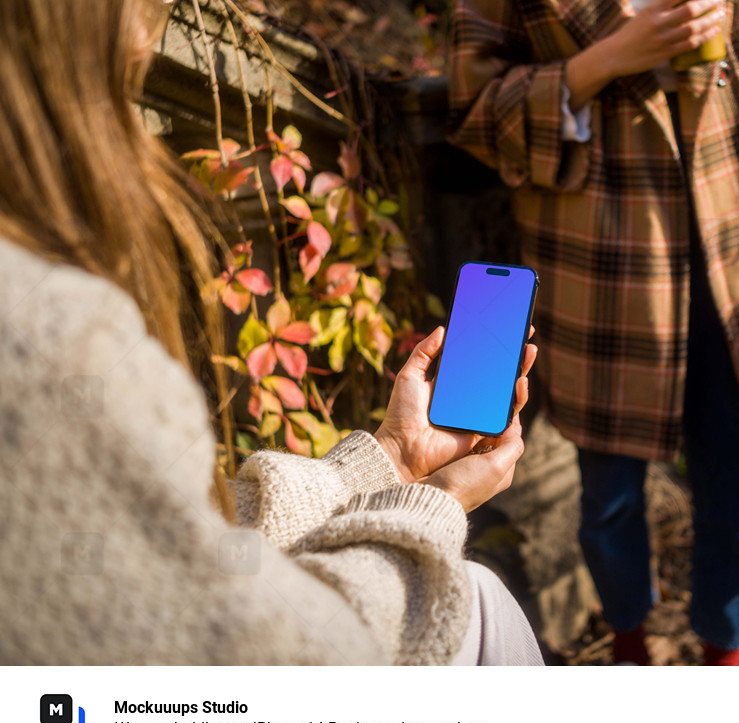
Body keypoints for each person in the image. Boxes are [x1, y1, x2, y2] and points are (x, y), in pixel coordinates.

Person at [0, 0, 542, 666]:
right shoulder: (52, 337)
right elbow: (286, 664)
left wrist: (389, 461)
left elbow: (196, 542)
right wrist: (434, 505)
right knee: (479, 599)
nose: (150, 35)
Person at [448, 0, 739, 663]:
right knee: (609, 501)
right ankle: (629, 650)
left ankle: (725, 658)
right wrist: (605, 59)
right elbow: (474, 114)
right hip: (600, 269)